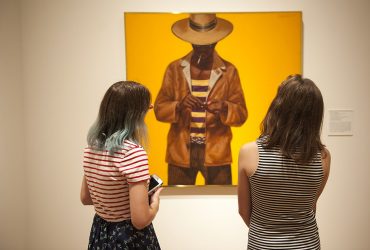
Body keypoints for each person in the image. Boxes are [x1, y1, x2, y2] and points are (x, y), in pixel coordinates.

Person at [238, 74, 331, 249]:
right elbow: (309, 206)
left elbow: (244, 211)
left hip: (263, 244)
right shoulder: (323, 157)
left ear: (278, 107)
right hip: (307, 244)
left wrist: (268, 235)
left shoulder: (249, 152)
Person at [154, 13, 248, 185]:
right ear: (190, 41)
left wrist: (225, 108)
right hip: (180, 152)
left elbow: (242, 114)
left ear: (216, 41)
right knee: (178, 204)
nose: (203, 49)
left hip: (217, 153)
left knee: (220, 205)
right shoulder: (174, 69)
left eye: (208, 45)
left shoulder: (229, 71)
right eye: (198, 45)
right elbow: (159, 109)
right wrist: (179, 106)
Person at [80, 81, 162, 249]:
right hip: (129, 238)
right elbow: (139, 220)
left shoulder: (92, 148)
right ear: (133, 114)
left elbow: (86, 198)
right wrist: (154, 202)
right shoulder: (133, 153)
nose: (151, 106)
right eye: (146, 105)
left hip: (101, 233)